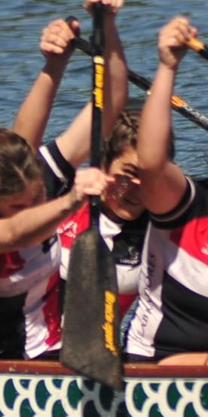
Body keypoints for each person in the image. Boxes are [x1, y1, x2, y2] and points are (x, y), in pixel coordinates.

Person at [0, 0, 127, 361]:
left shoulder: (31, 179)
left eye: (37, 198)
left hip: (54, 356)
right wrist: (72, 200)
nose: (31, 207)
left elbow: (110, 101)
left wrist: (105, 25)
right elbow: (13, 232)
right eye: (17, 205)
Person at [54, 110, 150, 330]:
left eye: (147, 176)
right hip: (37, 351)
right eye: (128, 173)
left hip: (103, 352)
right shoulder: (61, 199)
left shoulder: (160, 225)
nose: (138, 189)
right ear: (103, 164)